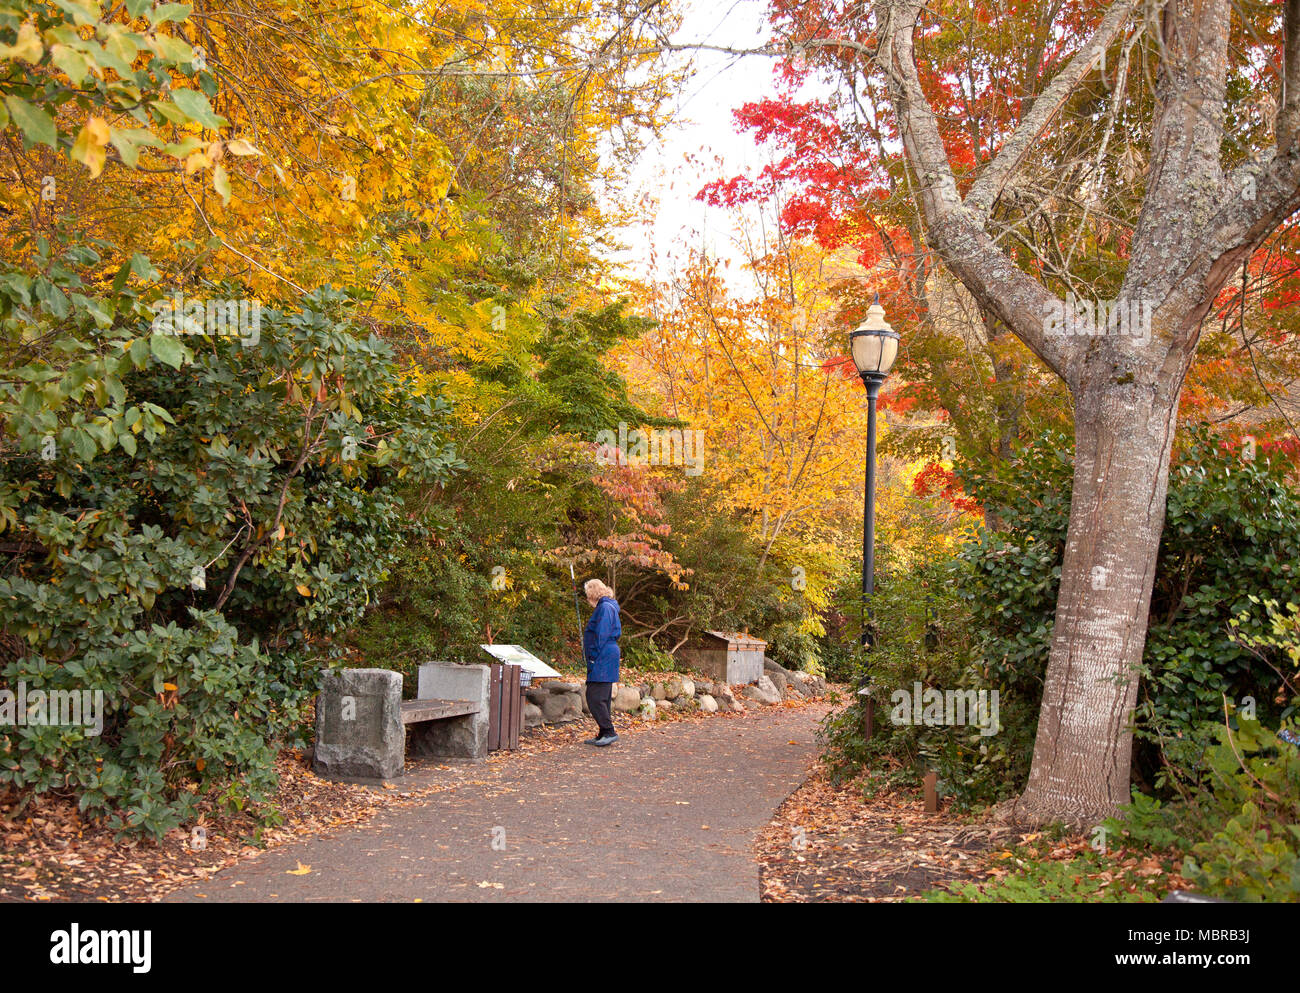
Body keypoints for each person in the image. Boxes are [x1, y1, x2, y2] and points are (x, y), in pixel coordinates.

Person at [581, 578, 621, 746]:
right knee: (602, 696)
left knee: (594, 696)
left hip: (602, 654)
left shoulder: (604, 608)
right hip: (606, 653)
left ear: (592, 593)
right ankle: (604, 732)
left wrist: (592, 655)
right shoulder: (608, 606)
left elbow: (601, 635)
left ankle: (609, 731)